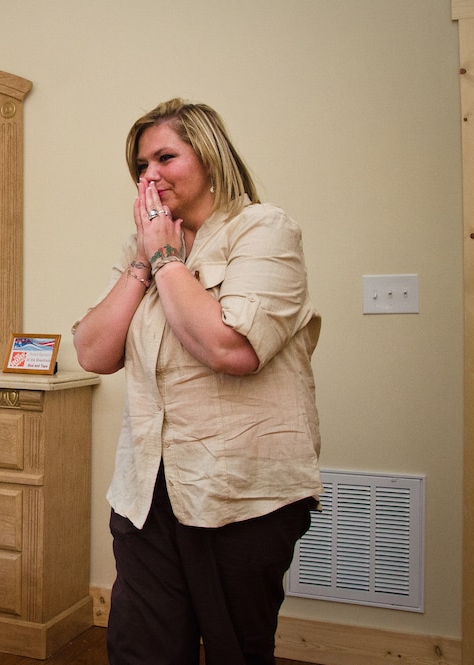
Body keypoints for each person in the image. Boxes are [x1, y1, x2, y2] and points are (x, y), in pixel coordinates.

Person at [72, 99, 322, 665]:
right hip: (146, 489)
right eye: (141, 166)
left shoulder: (264, 229)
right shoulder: (144, 246)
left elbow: (231, 347)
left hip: (239, 492)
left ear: (209, 156)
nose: (149, 175)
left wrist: (166, 259)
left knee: (237, 651)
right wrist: (143, 261)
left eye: (165, 156)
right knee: (142, 650)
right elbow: (93, 351)